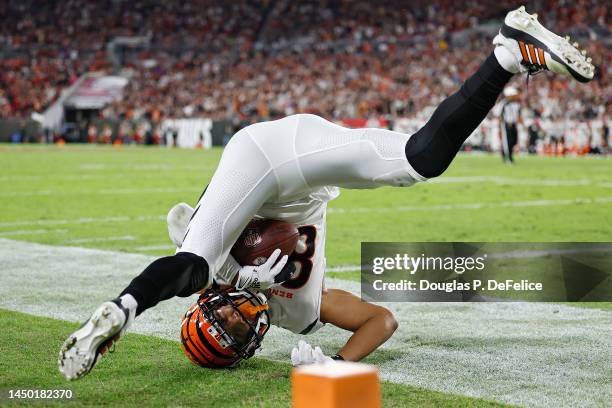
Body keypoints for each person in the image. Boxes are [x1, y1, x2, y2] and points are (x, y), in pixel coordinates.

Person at [58, 6, 595, 380]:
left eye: (220, 320)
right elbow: (382, 320)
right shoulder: (296, 314)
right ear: (251, 345)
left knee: (193, 258)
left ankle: (119, 311)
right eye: (237, 334)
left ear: (210, 306)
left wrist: (194, 280)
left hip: (264, 155)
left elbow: (183, 253)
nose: (239, 318)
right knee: (418, 163)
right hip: (309, 174)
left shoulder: (212, 276)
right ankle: (507, 54)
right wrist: (336, 367)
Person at [498, 87, 522, 163]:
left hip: (513, 124)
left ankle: (504, 154)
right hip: (506, 124)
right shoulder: (503, 104)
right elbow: (500, 115)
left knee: (514, 141)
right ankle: (509, 158)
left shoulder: (517, 104)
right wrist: (501, 126)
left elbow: (518, 114)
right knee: (507, 141)